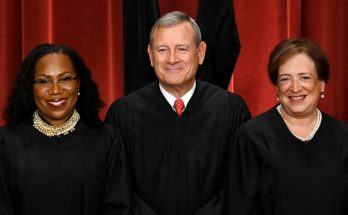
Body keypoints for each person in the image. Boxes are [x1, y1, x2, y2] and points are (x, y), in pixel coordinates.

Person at [105, 11, 250, 215]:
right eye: (162, 50)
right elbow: (118, 189)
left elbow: (239, 184)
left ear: (201, 53)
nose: (172, 59)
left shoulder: (231, 110)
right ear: (150, 55)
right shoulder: (123, 114)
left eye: (182, 49)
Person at [0, 44, 130, 215]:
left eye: (66, 78)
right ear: (31, 88)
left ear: (79, 84)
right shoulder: (7, 141)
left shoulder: (106, 139)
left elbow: (118, 208)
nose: (56, 90)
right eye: (44, 81)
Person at [225, 38, 348, 215]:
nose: (295, 87)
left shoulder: (343, 138)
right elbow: (239, 208)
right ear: (276, 87)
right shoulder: (251, 137)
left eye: (305, 77)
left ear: (321, 84)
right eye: (285, 79)